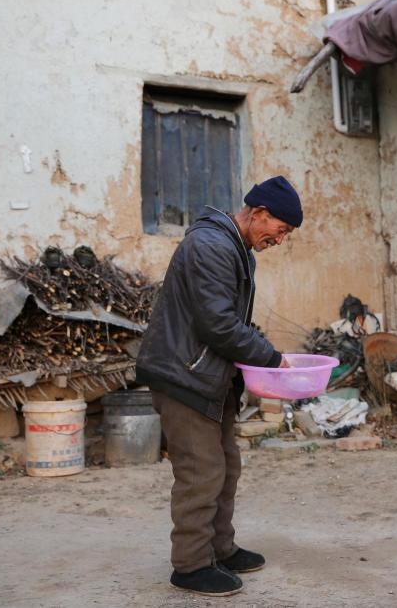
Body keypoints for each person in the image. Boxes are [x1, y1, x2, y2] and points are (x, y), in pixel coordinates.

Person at [137, 176, 302, 597]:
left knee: (225, 465)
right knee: (201, 471)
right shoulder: (210, 246)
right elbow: (219, 325)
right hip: (183, 375)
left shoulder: (236, 248)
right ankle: (190, 566)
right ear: (259, 213)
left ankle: (220, 549)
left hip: (210, 374)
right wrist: (272, 358)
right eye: (280, 230)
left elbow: (227, 322)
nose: (280, 240)